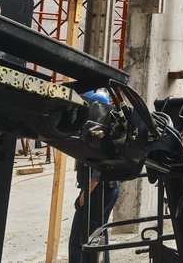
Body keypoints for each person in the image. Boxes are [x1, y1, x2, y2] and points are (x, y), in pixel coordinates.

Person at [69, 90, 120, 263]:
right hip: (108, 188)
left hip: (99, 190)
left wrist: (85, 194)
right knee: (98, 233)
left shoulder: (98, 129)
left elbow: (99, 168)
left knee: (81, 238)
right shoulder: (102, 127)